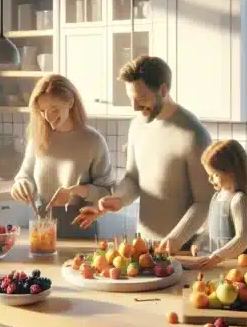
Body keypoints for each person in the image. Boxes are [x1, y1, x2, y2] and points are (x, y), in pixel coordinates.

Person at [75, 56, 215, 252]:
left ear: (163, 90)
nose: (134, 107)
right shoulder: (137, 126)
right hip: (145, 246)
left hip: (185, 248)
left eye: (141, 98)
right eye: (130, 98)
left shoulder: (194, 134)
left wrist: (175, 239)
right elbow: (133, 178)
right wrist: (119, 199)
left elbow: (205, 201)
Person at [11, 74, 115, 238]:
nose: (49, 117)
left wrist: (75, 191)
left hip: (80, 227)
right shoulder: (39, 138)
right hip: (43, 226)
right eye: (43, 111)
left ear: (70, 102)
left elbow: (108, 191)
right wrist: (22, 185)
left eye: (54, 109)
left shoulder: (93, 140)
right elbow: (25, 175)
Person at [185, 139, 247, 269]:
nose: (210, 179)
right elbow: (209, 229)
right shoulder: (217, 197)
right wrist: (199, 242)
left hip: (245, 265)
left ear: (231, 171)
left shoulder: (239, 199)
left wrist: (217, 256)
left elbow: (242, 239)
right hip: (225, 264)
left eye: (215, 174)